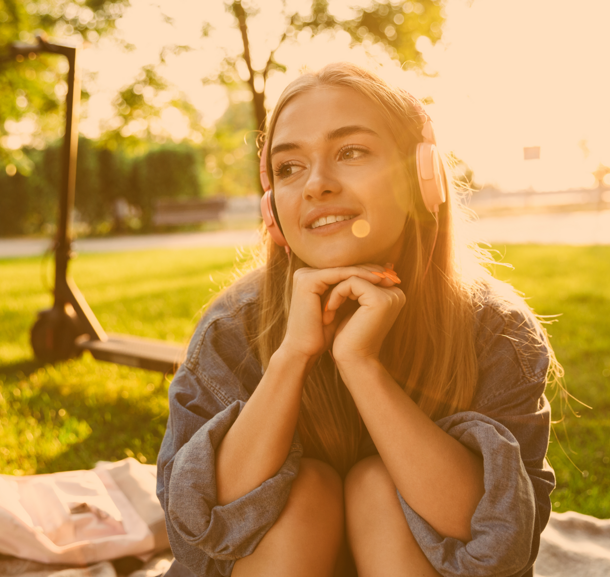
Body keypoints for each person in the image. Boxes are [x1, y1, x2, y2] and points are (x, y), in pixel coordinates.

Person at [156, 62, 559, 577]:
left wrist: (361, 365)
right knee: (306, 494)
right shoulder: (233, 327)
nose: (316, 185)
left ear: (421, 178)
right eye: (289, 167)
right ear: (271, 208)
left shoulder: (495, 328)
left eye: (351, 153)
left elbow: (496, 542)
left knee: (380, 488)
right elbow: (200, 533)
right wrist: (292, 357)